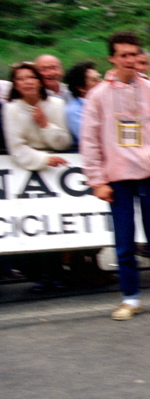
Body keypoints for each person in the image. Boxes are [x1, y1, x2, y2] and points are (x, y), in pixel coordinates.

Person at [80, 31, 150, 320]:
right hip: (117, 178)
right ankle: (130, 298)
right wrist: (97, 180)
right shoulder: (98, 95)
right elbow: (89, 140)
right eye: (123, 55)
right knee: (124, 243)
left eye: (134, 55)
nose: (129, 60)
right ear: (112, 58)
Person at [2, 62, 72, 291]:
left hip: (56, 172)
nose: (27, 82)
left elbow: (63, 141)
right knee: (34, 224)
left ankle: (59, 273)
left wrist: (45, 125)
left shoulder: (56, 104)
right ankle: (41, 276)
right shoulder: (11, 109)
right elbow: (16, 147)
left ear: (39, 80)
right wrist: (43, 159)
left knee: (57, 224)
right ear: (16, 85)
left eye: (31, 77)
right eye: (21, 79)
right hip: (26, 172)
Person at [64, 61, 102, 150]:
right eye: (94, 80)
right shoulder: (74, 111)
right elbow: (90, 138)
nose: (100, 82)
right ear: (80, 88)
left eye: (99, 78)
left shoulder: (104, 102)